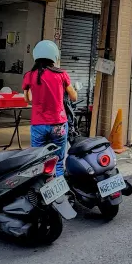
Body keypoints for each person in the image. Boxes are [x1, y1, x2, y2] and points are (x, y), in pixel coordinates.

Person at [22, 40, 77, 176]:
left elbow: (27, 99)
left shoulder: (29, 75)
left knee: (38, 161)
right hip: (58, 124)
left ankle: (40, 185)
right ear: (54, 56)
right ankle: (59, 185)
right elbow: (74, 97)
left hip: (39, 125)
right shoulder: (62, 74)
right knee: (58, 161)